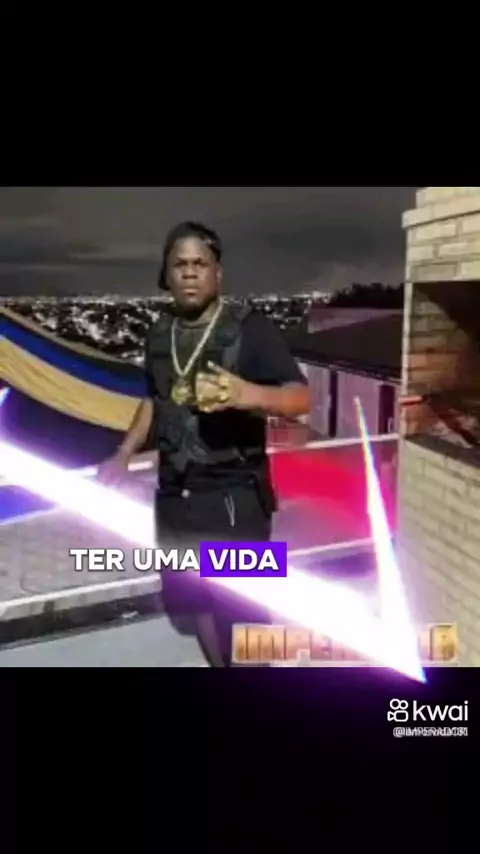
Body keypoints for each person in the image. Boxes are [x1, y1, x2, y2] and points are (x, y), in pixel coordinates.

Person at [99, 221, 310, 666]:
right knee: (197, 602)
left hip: (234, 498)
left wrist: (247, 394)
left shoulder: (250, 329)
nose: (190, 272)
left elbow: (301, 398)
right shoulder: (160, 333)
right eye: (180, 264)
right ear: (167, 274)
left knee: (245, 609)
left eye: (200, 263)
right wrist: (123, 453)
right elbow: (155, 399)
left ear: (218, 273)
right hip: (175, 495)